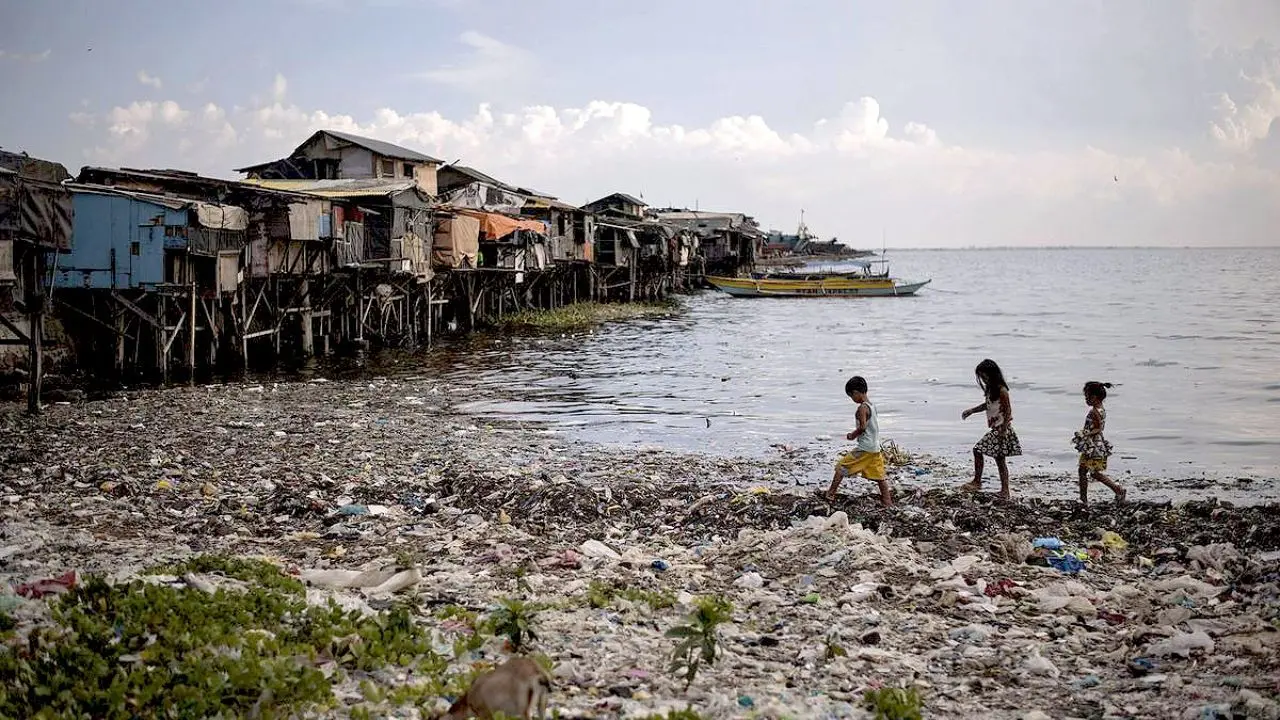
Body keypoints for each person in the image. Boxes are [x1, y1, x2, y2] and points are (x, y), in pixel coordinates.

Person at [823, 375, 891, 506]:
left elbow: (863, 427)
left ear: (856, 393)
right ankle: (887, 502)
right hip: (875, 448)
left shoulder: (862, 408)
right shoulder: (872, 406)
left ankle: (830, 494)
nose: (852, 399)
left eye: (851, 396)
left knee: (841, 467)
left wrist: (852, 435)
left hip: (865, 448)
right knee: (880, 476)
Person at [960, 359, 1021, 499]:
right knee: (998, 459)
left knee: (980, 451)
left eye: (984, 376)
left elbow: (1008, 411)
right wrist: (972, 411)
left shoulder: (1002, 390)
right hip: (996, 429)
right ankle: (1002, 489)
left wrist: (1003, 430)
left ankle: (980, 482)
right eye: (981, 377)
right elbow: (987, 405)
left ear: (992, 374)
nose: (983, 379)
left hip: (1002, 429)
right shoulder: (991, 390)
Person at [1074, 381, 1124, 505]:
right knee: (1086, 471)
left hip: (1093, 445)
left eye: (1087, 396)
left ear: (1094, 397)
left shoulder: (1094, 412)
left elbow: (1098, 429)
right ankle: (1084, 498)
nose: (1086, 399)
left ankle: (1117, 490)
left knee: (1091, 472)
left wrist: (1085, 434)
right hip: (1097, 443)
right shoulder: (1101, 409)